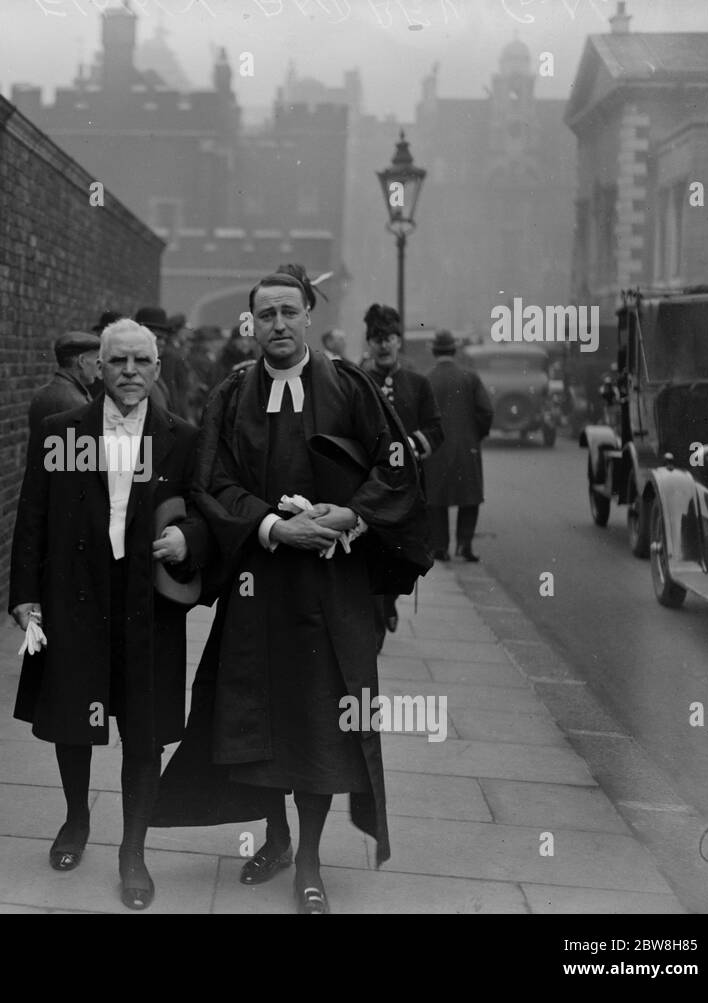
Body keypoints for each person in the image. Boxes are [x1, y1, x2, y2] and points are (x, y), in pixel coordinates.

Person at [152, 272, 425, 914]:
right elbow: (210, 482)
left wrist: (347, 516)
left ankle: (308, 857)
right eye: (265, 315)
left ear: (308, 317)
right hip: (260, 579)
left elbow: (395, 466)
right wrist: (275, 526)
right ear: (252, 325)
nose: (277, 324)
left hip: (332, 584)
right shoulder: (230, 395)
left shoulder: (350, 385)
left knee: (321, 721)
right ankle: (274, 837)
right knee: (257, 716)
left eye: (288, 312)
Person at [8, 318, 214, 910]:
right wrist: (25, 592)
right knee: (72, 713)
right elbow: (32, 516)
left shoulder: (182, 437)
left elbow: (206, 513)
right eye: (117, 361)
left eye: (141, 362)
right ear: (98, 367)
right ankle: (76, 819)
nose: (129, 373)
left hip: (145, 599)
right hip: (75, 593)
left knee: (143, 728)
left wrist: (188, 543)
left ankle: (133, 850)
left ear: (156, 368)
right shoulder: (60, 430)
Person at [361, 304, 443, 645]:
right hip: (368, 484)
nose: (383, 345)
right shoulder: (358, 381)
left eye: (390, 338)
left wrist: (410, 443)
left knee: (400, 554)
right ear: (369, 342)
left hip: (407, 486)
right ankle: (376, 623)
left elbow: (436, 430)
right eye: (377, 339)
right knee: (372, 554)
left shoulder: (418, 383)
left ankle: (390, 603)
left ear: (399, 342)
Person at [423, 330, 493, 562]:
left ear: (434, 351)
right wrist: (475, 435)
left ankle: (440, 547)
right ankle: (465, 544)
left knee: (436, 499)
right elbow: (486, 411)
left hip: (435, 449)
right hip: (466, 447)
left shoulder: (427, 379)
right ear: (455, 350)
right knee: (469, 497)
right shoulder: (470, 377)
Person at [27, 330, 101, 438]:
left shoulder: (41, 394)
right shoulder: (76, 402)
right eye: (97, 360)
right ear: (82, 361)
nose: (99, 366)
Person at [134, 305, 192, 417]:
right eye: (157, 337)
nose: (162, 343)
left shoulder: (154, 367)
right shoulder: (133, 370)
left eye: (164, 338)